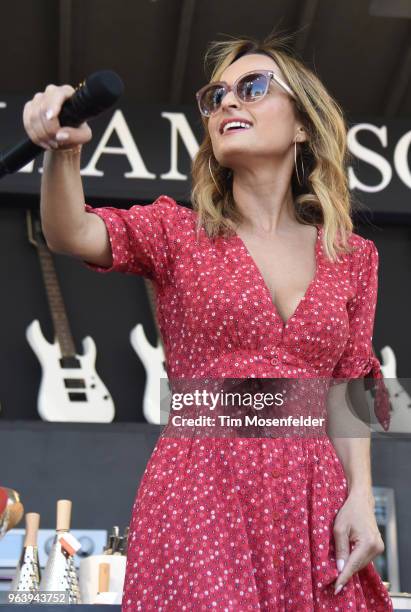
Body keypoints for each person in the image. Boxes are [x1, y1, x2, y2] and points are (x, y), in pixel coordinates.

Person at [23, 30, 393, 611]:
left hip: (311, 498)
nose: (226, 103)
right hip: (201, 490)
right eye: (215, 95)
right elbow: (71, 232)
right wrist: (64, 150)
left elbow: (348, 389)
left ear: (302, 124)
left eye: (251, 87)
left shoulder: (352, 258)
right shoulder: (179, 232)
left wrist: (360, 498)